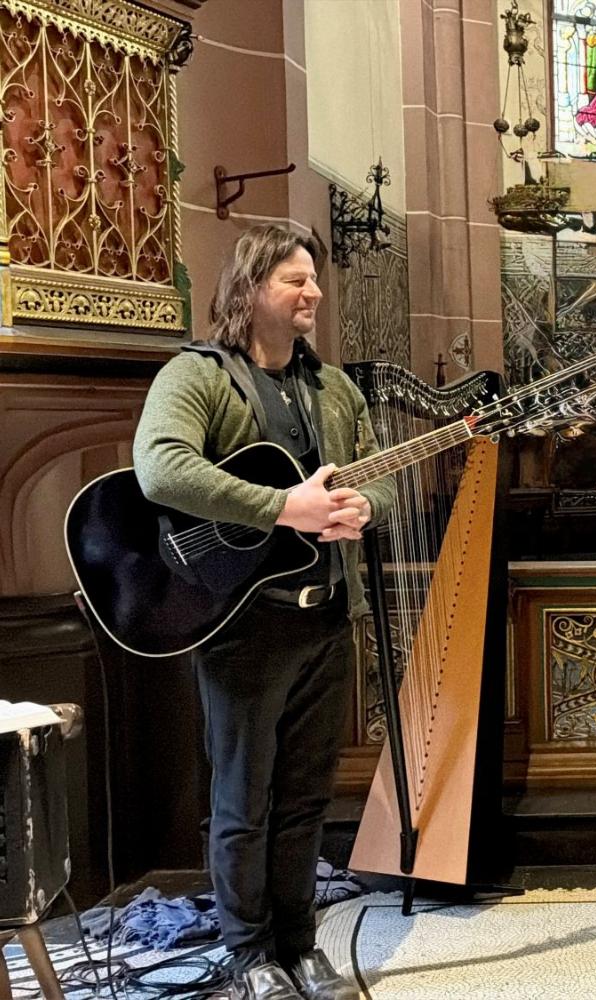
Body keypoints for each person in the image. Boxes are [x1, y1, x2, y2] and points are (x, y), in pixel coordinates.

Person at [134, 226, 396, 1000]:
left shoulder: (335, 388)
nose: (313, 292)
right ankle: (251, 956)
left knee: (309, 794)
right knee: (243, 799)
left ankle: (298, 941)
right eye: (294, 279)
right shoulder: (197, 376)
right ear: (250, 289)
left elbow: (373, 473)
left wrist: (360, 508)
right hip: (245, 624)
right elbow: (162, 466)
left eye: (313, 278)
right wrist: (286, 506)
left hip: (326, 619)